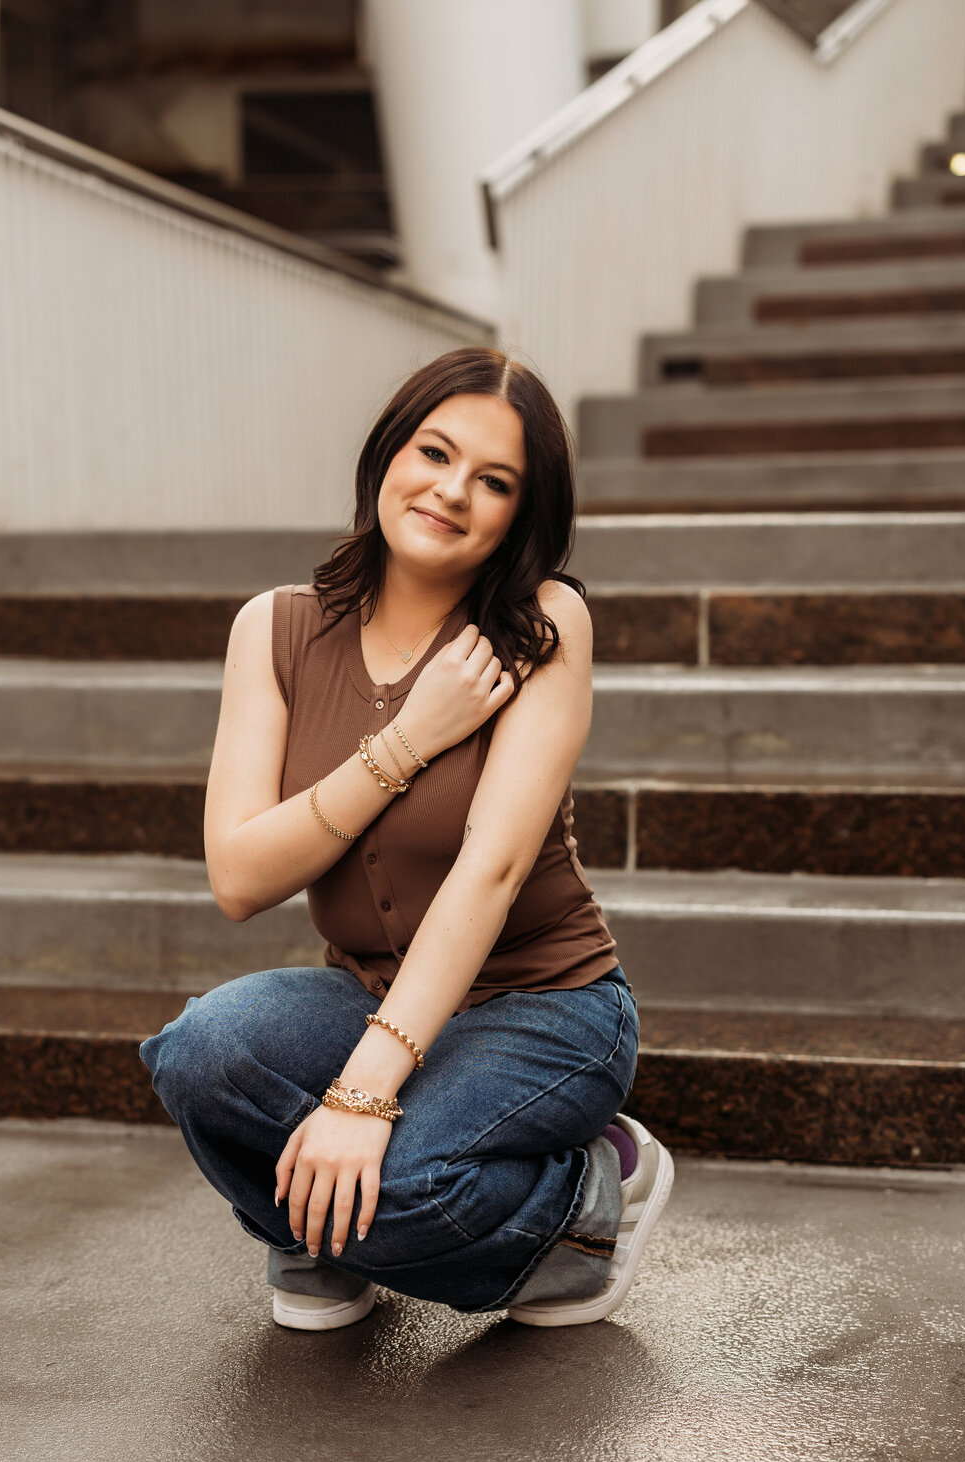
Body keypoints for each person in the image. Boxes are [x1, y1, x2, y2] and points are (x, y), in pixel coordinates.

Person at [140, 346, 674, 1331]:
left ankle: (588, 1204)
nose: (451, 490)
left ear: (524, 511)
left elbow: (496, 865)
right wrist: (407, 741)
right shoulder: (274, 629)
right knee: (198, 1054)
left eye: (495, 481)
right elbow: (238, 876)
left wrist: (360, 1099)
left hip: (545, 1009)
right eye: (434, 452)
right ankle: (321, 1229)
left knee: (395, 1188)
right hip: (369, 990)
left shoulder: (542, 623)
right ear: (389, 452)